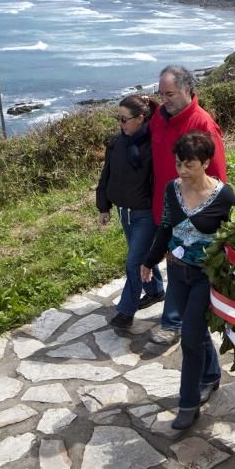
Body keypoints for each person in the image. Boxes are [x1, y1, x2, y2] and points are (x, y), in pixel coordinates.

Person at [142, 131, 235, 430]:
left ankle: (188, 404)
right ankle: (211, 377)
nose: (182, 171)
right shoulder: (172, 189)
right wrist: (149, 260)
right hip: (176, 271)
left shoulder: (224, 196)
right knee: (195, 333)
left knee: (189, 338)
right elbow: (166, 226)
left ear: (206, 163)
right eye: (178, 164)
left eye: (189, 165)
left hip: (203, 276)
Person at [148, 65, 227, 348]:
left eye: (169, 93)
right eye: (161, 93)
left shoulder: (203, 124)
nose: (164, 98)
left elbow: (217, 177)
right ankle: (176, 317)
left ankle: (173, 321)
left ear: (186, 90)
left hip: (192, 215)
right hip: (164, 205)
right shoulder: (159, 116)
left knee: (182, 263)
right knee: (172, 262)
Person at [97, 95, 166, 330]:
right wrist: (103, 206)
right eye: (118, 118)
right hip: (124, 212)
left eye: (124, 119)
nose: (120, 124)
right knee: (142, 255)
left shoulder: (154, 144)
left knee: (134, 262)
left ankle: (126, 311)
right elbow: (107, 175)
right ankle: (155, 290)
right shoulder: (117, 143)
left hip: (145, 214)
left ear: (140, 118)